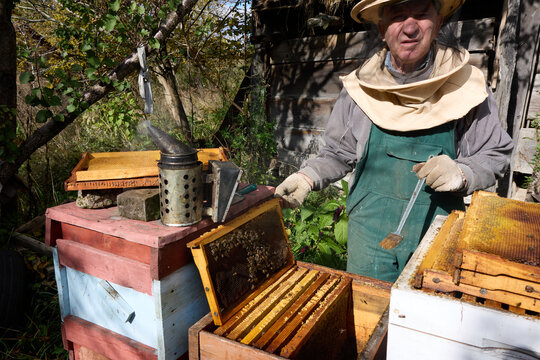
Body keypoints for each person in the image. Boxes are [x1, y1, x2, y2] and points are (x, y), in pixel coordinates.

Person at [275, 0, 513, 282]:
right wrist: (307, 177)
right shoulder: (360, 90)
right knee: (368, 313)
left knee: (425, 321)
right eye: (398, 16)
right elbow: (338, 153)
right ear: (382, 28)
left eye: (421, 14)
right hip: (369, 234)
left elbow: (495, 153)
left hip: (438, 232)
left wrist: (463, 173)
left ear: (437, 24)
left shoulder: (467, 86)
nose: (410, 27)